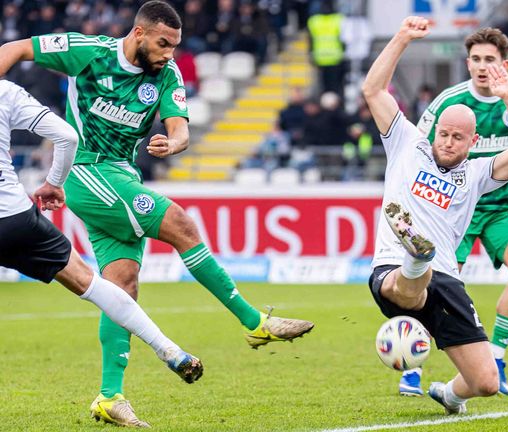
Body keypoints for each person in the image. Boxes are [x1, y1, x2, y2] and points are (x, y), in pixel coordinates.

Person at [0, 1, 314, 426]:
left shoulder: (166, 74)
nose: (170, 53)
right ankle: (254, 320)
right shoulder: (88, 51)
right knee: (181, 224)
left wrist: (175, 143)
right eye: (163, 44)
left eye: (175, 46)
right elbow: (18, 46)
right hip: (85, 171)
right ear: (139, 33)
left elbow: (179, 125)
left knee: (122, 287)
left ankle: (110, 396)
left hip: (123, 177)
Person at [0, 79, 203, 427]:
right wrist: (54, 181)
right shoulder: (5, 91)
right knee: (91, 282)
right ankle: (168, 349)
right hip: (13, 218)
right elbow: (68, 136)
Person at [363, 16, 508, 414]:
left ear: (473, 142)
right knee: (410, 285)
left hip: (448, 279)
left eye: (459, 138)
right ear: (435, 128)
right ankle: (415, 256)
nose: (448, 141)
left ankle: (448, 395)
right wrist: (402, 36)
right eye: (444, 133)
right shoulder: (407, 141)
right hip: (393, 267)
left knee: (486, 382)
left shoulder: (477, 172)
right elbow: (373, 89)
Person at [401, 27, 508, 397]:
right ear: (467, 62)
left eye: (490, 60)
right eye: (476, 59)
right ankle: (411, 366)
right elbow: (418, 150)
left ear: (504, 64)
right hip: (455, 208)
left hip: (501, 205)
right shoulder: (449, 103)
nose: (482, 67)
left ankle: (497, 359)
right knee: (429, 285)